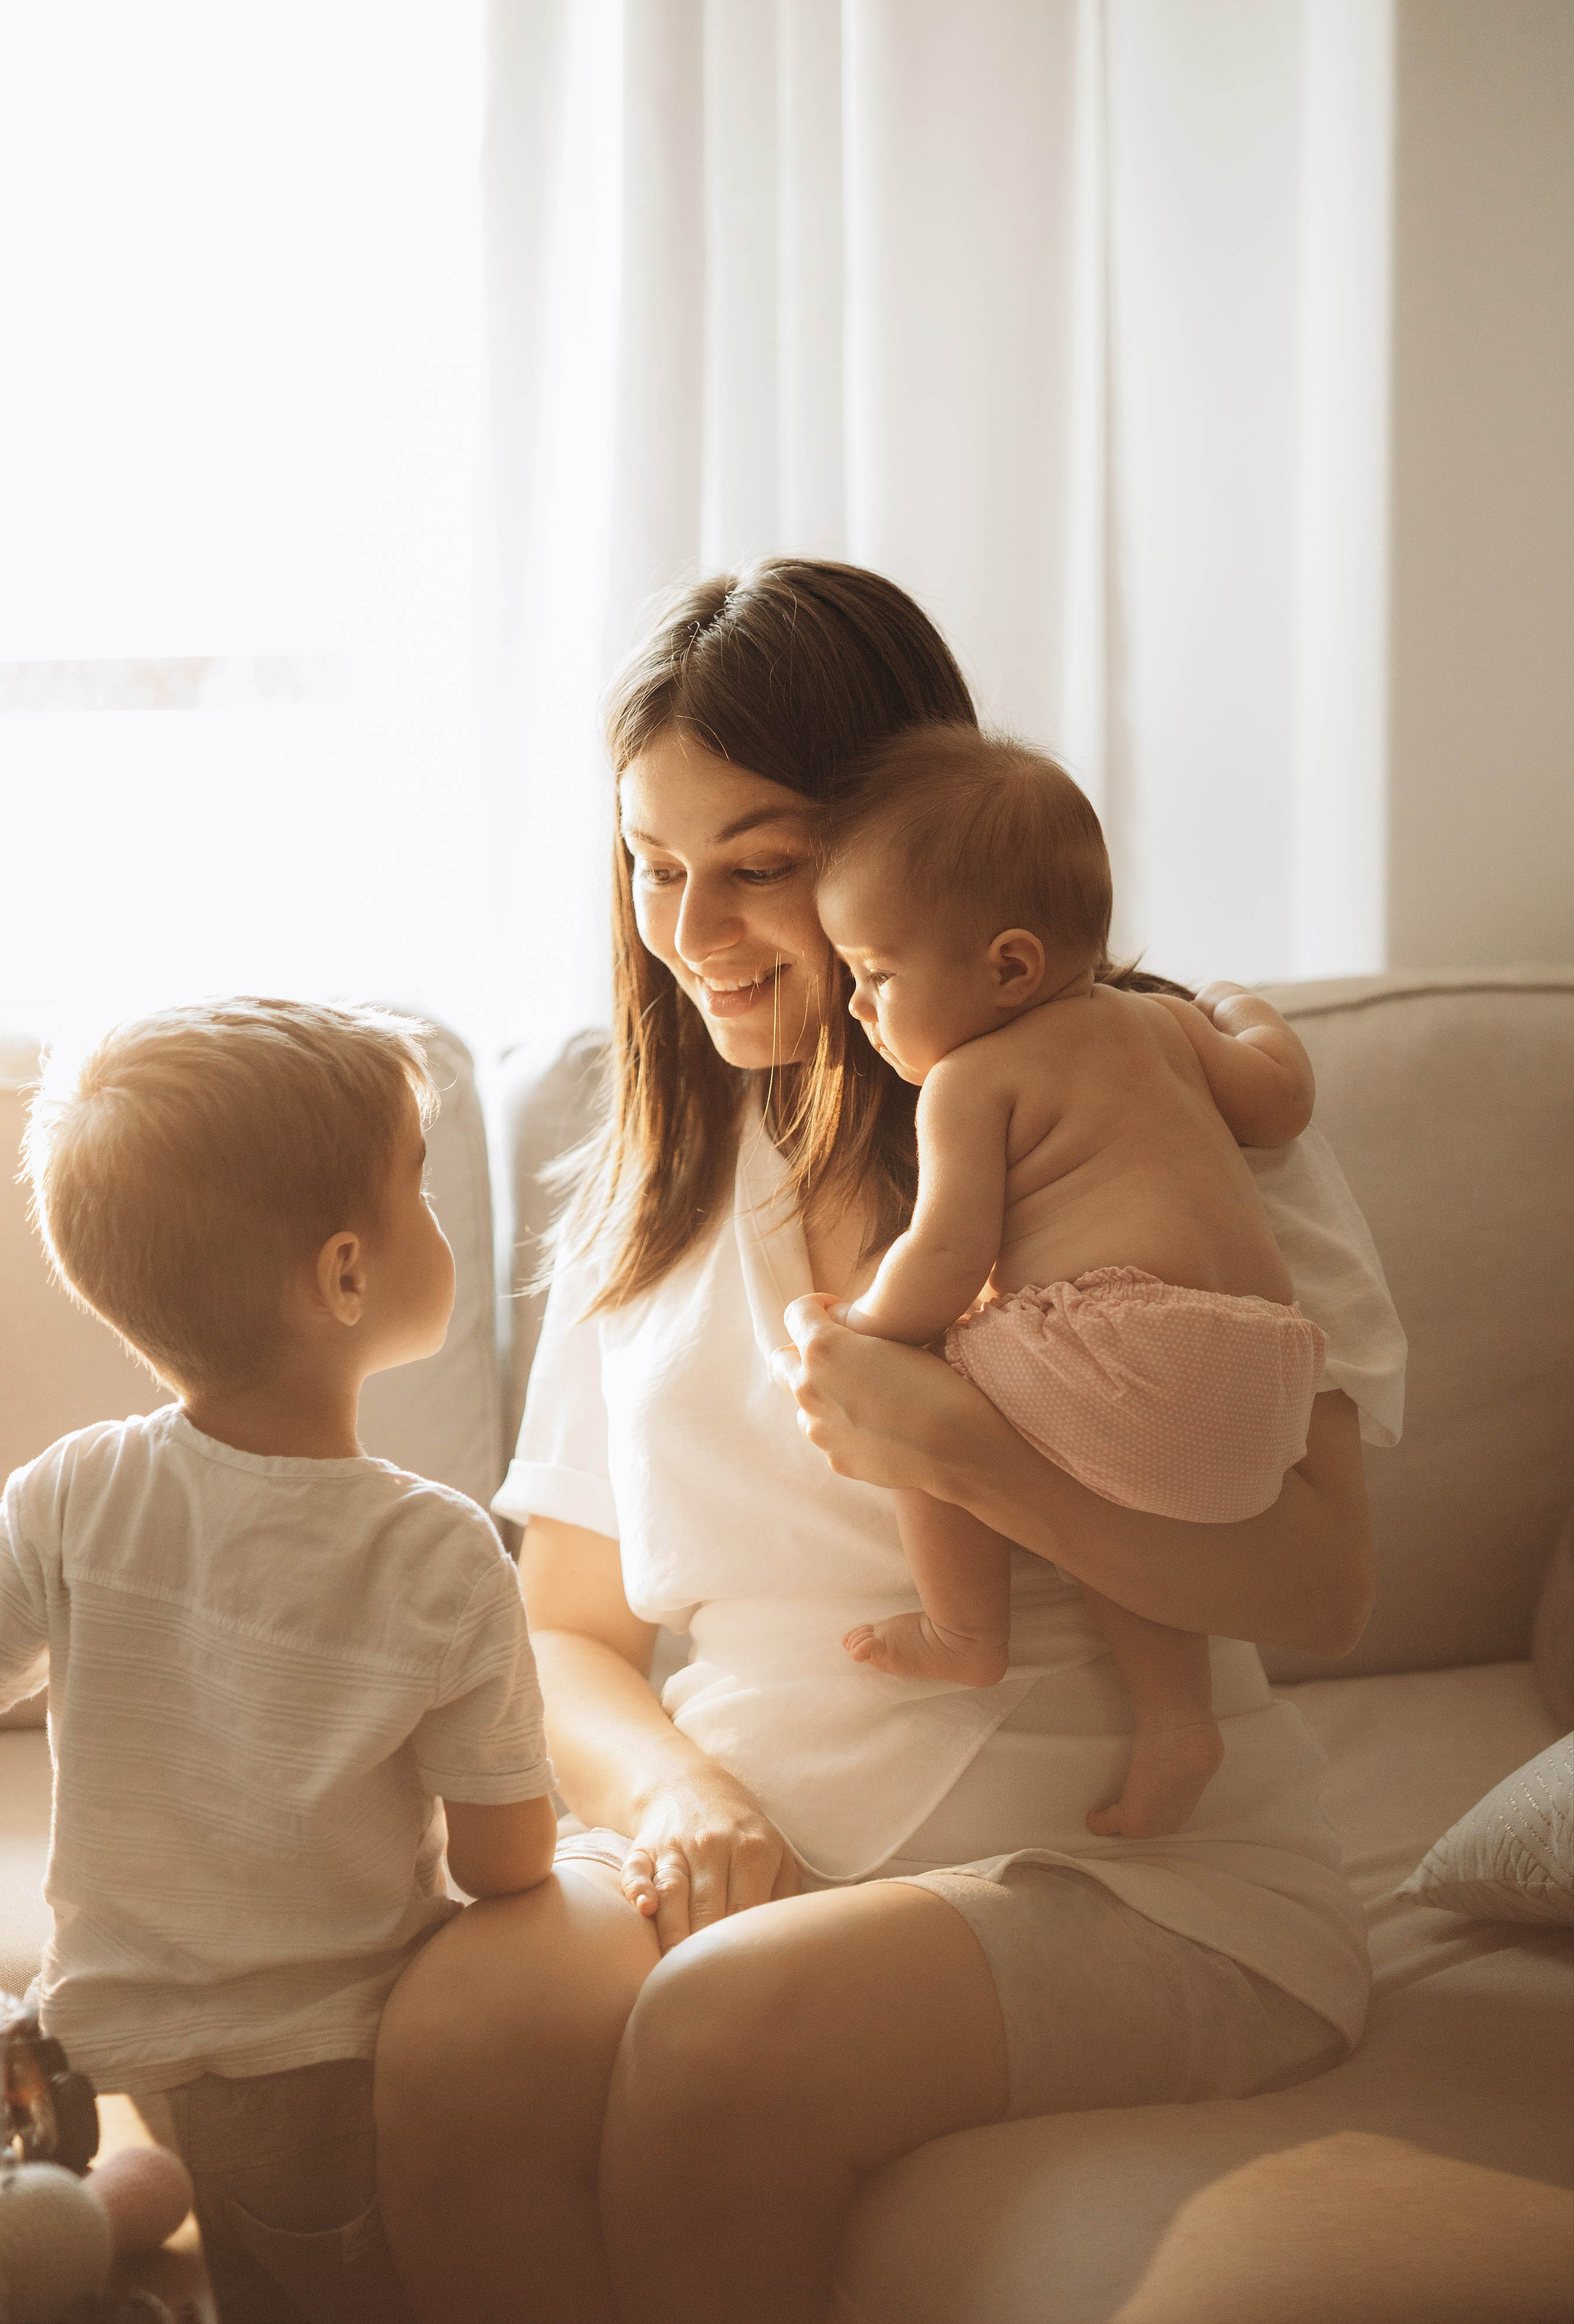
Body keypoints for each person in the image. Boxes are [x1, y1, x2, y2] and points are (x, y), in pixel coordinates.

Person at [371, 558, 1406, 2324]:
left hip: (1135, 1867)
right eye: (655, 863)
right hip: (770, 1832)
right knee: (466, 2023)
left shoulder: (1139, 1094)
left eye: (759, 868)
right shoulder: (656, 1175)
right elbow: (566, 1627)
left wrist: (977, 1452)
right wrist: (679, 1791)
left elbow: (1322, 1584)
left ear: (902, 839)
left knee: (733, 2023)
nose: (691, 929)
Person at [1, 998, 558, 2324]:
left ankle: (92, 2234)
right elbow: (504, 1862)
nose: (444, 1223)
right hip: (315, 2062)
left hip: (101, 2032)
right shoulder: (439, 1553)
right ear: (347, 1276)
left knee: (155, 2214)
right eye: (423, 1188)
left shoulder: (75, 1489)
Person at [816, 723, 1326, 1841]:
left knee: (911, 1382)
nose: (855, 1008)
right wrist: (1241, 1009)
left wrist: (858, 1331)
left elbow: (948, 1255)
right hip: (1266, 1375)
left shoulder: (971, 1078)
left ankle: (965, 1631)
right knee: (1122, 1502)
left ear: (1008, 966)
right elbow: (1282, 1104)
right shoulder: (1166, 1028)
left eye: (876, 974)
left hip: (1133, 1347)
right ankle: (1178, 1721)